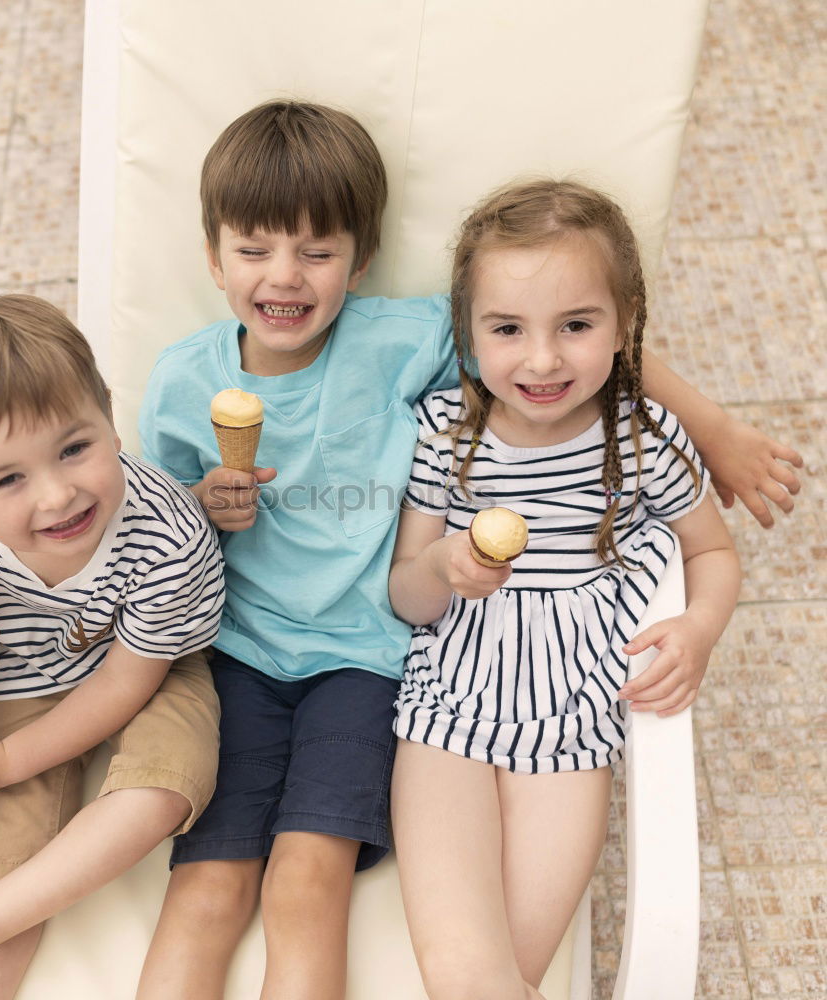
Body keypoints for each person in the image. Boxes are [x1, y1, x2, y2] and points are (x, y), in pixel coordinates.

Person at [137, 102, 796, 1000]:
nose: (284, 276)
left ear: (359, 260)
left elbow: (573, 340)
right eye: (253, 249)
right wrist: (204, 505)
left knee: (424, 939)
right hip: (346, 678)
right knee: (262, 905)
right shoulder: (411, 419)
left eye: (317, 251)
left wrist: (709, 437)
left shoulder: (481, 371)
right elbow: (160, 531)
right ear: (213, 256)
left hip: (464, 687)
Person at [387, 180, 742, 1000]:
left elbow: (713, 552)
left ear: (625, 327)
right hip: (447, 707)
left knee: (511, 971)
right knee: (465, 971)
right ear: (468, 333)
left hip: (573, 711)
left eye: (575, 326)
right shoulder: (445, 434)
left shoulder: (645, 439)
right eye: (507, 329)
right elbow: (406, 597)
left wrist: (699, 628)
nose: (542, 360)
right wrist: (445, 566)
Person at [0, 295, 225, 1000]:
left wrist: (3, 761)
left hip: (153, 669)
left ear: (106, 409)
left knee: (166, 785)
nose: (58, 495)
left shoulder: (169, 531)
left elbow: (128, 682)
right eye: (9, 479)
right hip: (27, 676)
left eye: (75, 448)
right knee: (4, 845)